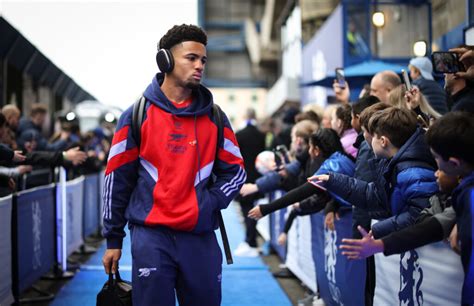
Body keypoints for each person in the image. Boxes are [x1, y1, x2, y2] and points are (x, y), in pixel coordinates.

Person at [101, 24, 245, 306]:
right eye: (191, 58)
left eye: (203, 59)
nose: (199, 65)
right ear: (165, 60)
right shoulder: (135, 115)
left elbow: (236, 171)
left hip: (200, 237)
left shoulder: (215, 117)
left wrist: (210, 202)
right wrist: (113, 238)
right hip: (151, 238)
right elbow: (116, 180)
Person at [234, 108, 266, 257]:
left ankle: (250, 241)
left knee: (246, 209)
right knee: (253, 209)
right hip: (258, 177)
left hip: (243, 177)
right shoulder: (261, 135)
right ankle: (250, 240)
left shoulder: (239, 135)